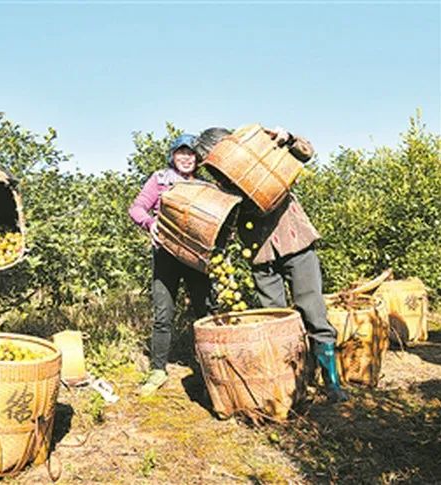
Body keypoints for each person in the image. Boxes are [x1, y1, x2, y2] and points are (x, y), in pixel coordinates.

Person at [194, 126, 349, 403]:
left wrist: (287, 138)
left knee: (313, 311)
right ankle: (291, 383)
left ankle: (332, 384)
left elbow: (306, 153)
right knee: (273, 318)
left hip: (296, 242)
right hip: (260, 254)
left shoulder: (259, 152)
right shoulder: (221, 183)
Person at [129, 134, 214, 396]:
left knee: (206, 311)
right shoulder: (160, 179)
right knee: (163, 313)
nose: (187, 158)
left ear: (198, 158)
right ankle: (158, 370)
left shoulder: (205, 186)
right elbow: (137, 208)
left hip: (196, 257)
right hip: (166, 254)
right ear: (173, 156)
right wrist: (150, 224)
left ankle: (209, 367)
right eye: (181, 153)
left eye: (191, 154)